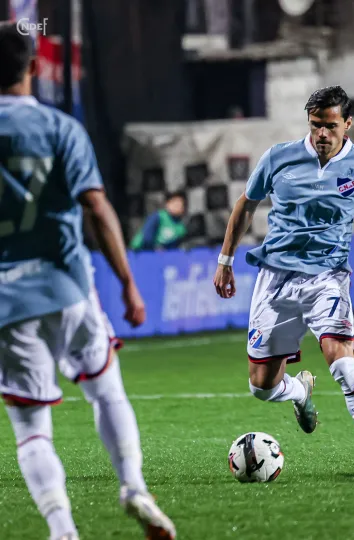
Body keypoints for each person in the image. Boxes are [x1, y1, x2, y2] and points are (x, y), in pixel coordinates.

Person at [0, 24, 175, 540]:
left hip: (9, 302)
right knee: (106, 389)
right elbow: (96, 207)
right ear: (35, 67)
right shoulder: (62, 128)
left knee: (31, 429)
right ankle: (134, 486)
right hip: (70, 288)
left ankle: (63, 530)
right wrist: (128, 283)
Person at [213, 85, 354, 478]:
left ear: (348, 124)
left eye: (330, 126)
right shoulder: (280, 157)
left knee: (345, 366)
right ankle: (299, 391)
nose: (322, 133)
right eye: (315, 125)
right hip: (275, 279)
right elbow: (246, 204)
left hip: (328, 279)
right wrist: (225, 260)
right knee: (262, 387)